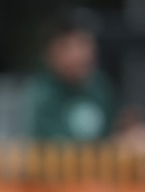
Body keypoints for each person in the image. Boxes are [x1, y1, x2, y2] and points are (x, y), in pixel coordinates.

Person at [24, 12, 119, 142]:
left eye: (84, 44)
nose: (78, 55)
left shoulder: (101, 88)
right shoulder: (40, 95)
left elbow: (114, 129)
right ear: (49, 53)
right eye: (67, 46)